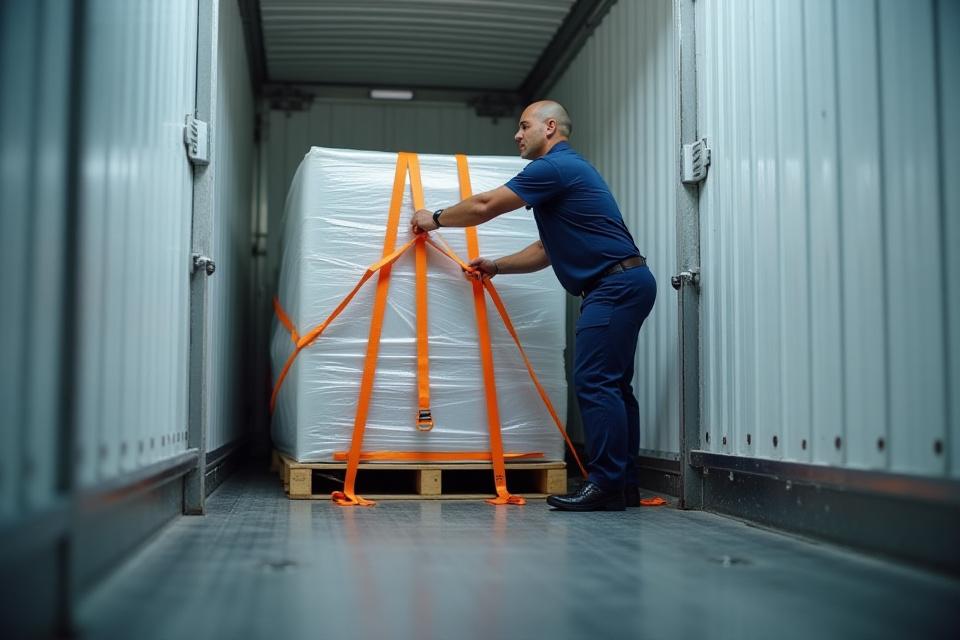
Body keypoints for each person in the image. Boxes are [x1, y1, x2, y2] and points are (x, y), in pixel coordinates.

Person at [410, 100, 657, 511]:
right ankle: (622, 484)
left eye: (523, 126)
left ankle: (608, 485)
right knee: (613, 386)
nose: (517, 135)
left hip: (612, 286)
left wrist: (431, 218)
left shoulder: (553, 168)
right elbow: (546, 249)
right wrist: (496, 266)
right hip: (625, 282)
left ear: (550, 127)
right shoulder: (567, 172)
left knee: (595, 382)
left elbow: (485, 206)